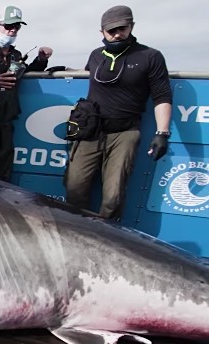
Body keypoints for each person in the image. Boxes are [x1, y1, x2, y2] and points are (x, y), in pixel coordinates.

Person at [64, 5, 172, 220]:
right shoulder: (96, 55)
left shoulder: (150, 56)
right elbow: (87, 74)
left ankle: (106, 242)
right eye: (111, 30)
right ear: (101, 32)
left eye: (122, 28)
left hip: (124, 133)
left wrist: (162, 133)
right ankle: (78, 235)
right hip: (91, 131)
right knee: (74, 188)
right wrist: (59, 69)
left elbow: (162, 96)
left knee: (113, 197)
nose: (117, 34)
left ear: (131, 26)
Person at [0, 6, 53, 181]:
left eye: (17, 26)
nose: (12, 30)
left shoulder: (16, 55)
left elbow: (22, 74)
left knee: (1, 179)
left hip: (6, 125)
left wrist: (41, 60)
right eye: (8, 25)